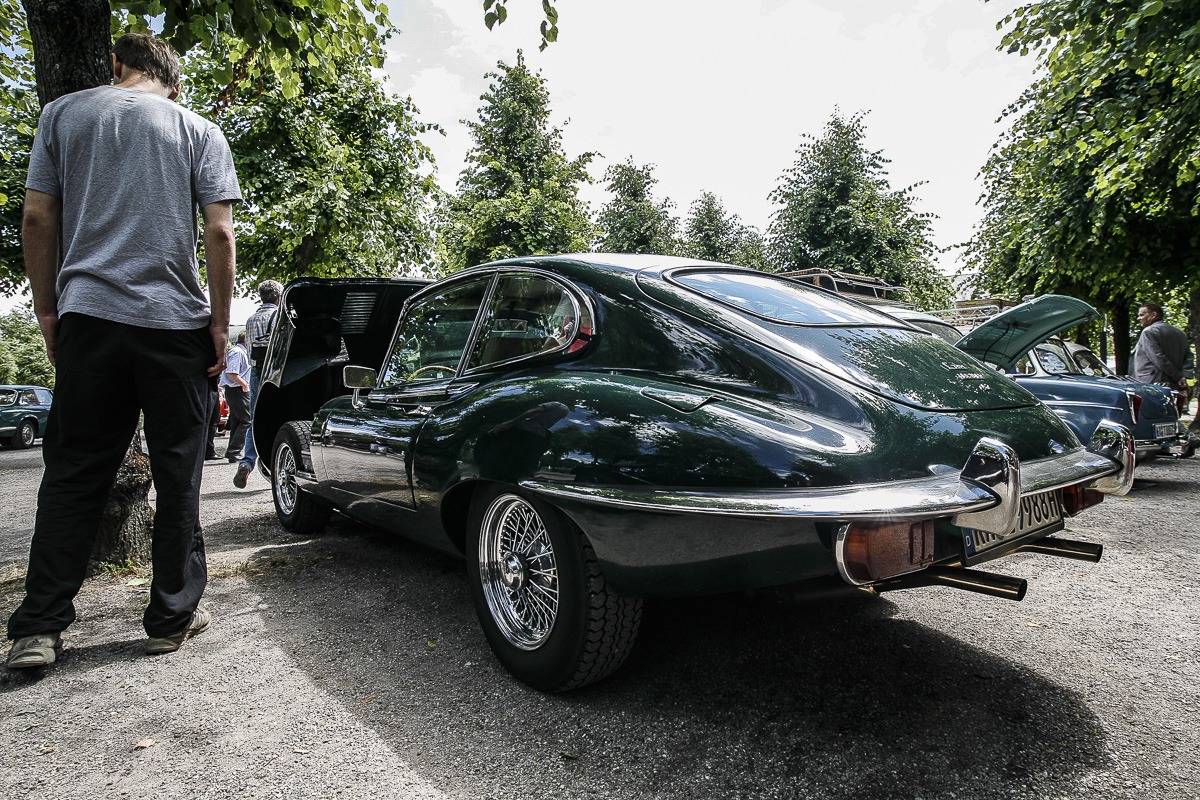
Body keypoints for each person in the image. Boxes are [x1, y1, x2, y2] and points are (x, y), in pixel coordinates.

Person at [5, 33, 242, 669]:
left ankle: (39, 626)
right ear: (173, 82)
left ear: (116, 65)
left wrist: (49, 310)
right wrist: (220, 325)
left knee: (73, 474)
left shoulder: (62, 115)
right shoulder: (199, 130)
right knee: (179, 473)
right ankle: (170, 617)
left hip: (89, 318)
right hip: (174, 326)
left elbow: (36, 219)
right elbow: (219, 232)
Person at [234, 280, 283, 489]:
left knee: (255, 418)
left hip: (255, 371)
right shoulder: (279, 316)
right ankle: (276, 465)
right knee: (279, 417)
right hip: (275, 371)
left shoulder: (251, 319)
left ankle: (246, 462)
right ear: (279, 297)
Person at [1133, 303, 1195, 389]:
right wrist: (1185, 376)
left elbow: (1158, 358)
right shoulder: (1180, 333)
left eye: (1141, 315)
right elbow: (1189, 356)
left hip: (1153, 383)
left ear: (1153, 315)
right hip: (1175, 384)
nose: (1138, 318)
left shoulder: (1148, 332)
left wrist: (1178, 377)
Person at [219, 331, 252, 462]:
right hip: (237, 390)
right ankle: (234, 451)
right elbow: (232, 372)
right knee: (246, 421)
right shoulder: (238, 352)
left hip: (235, 390)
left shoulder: (239, 351)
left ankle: (233, 452)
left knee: (238, 421)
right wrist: (244, 384)